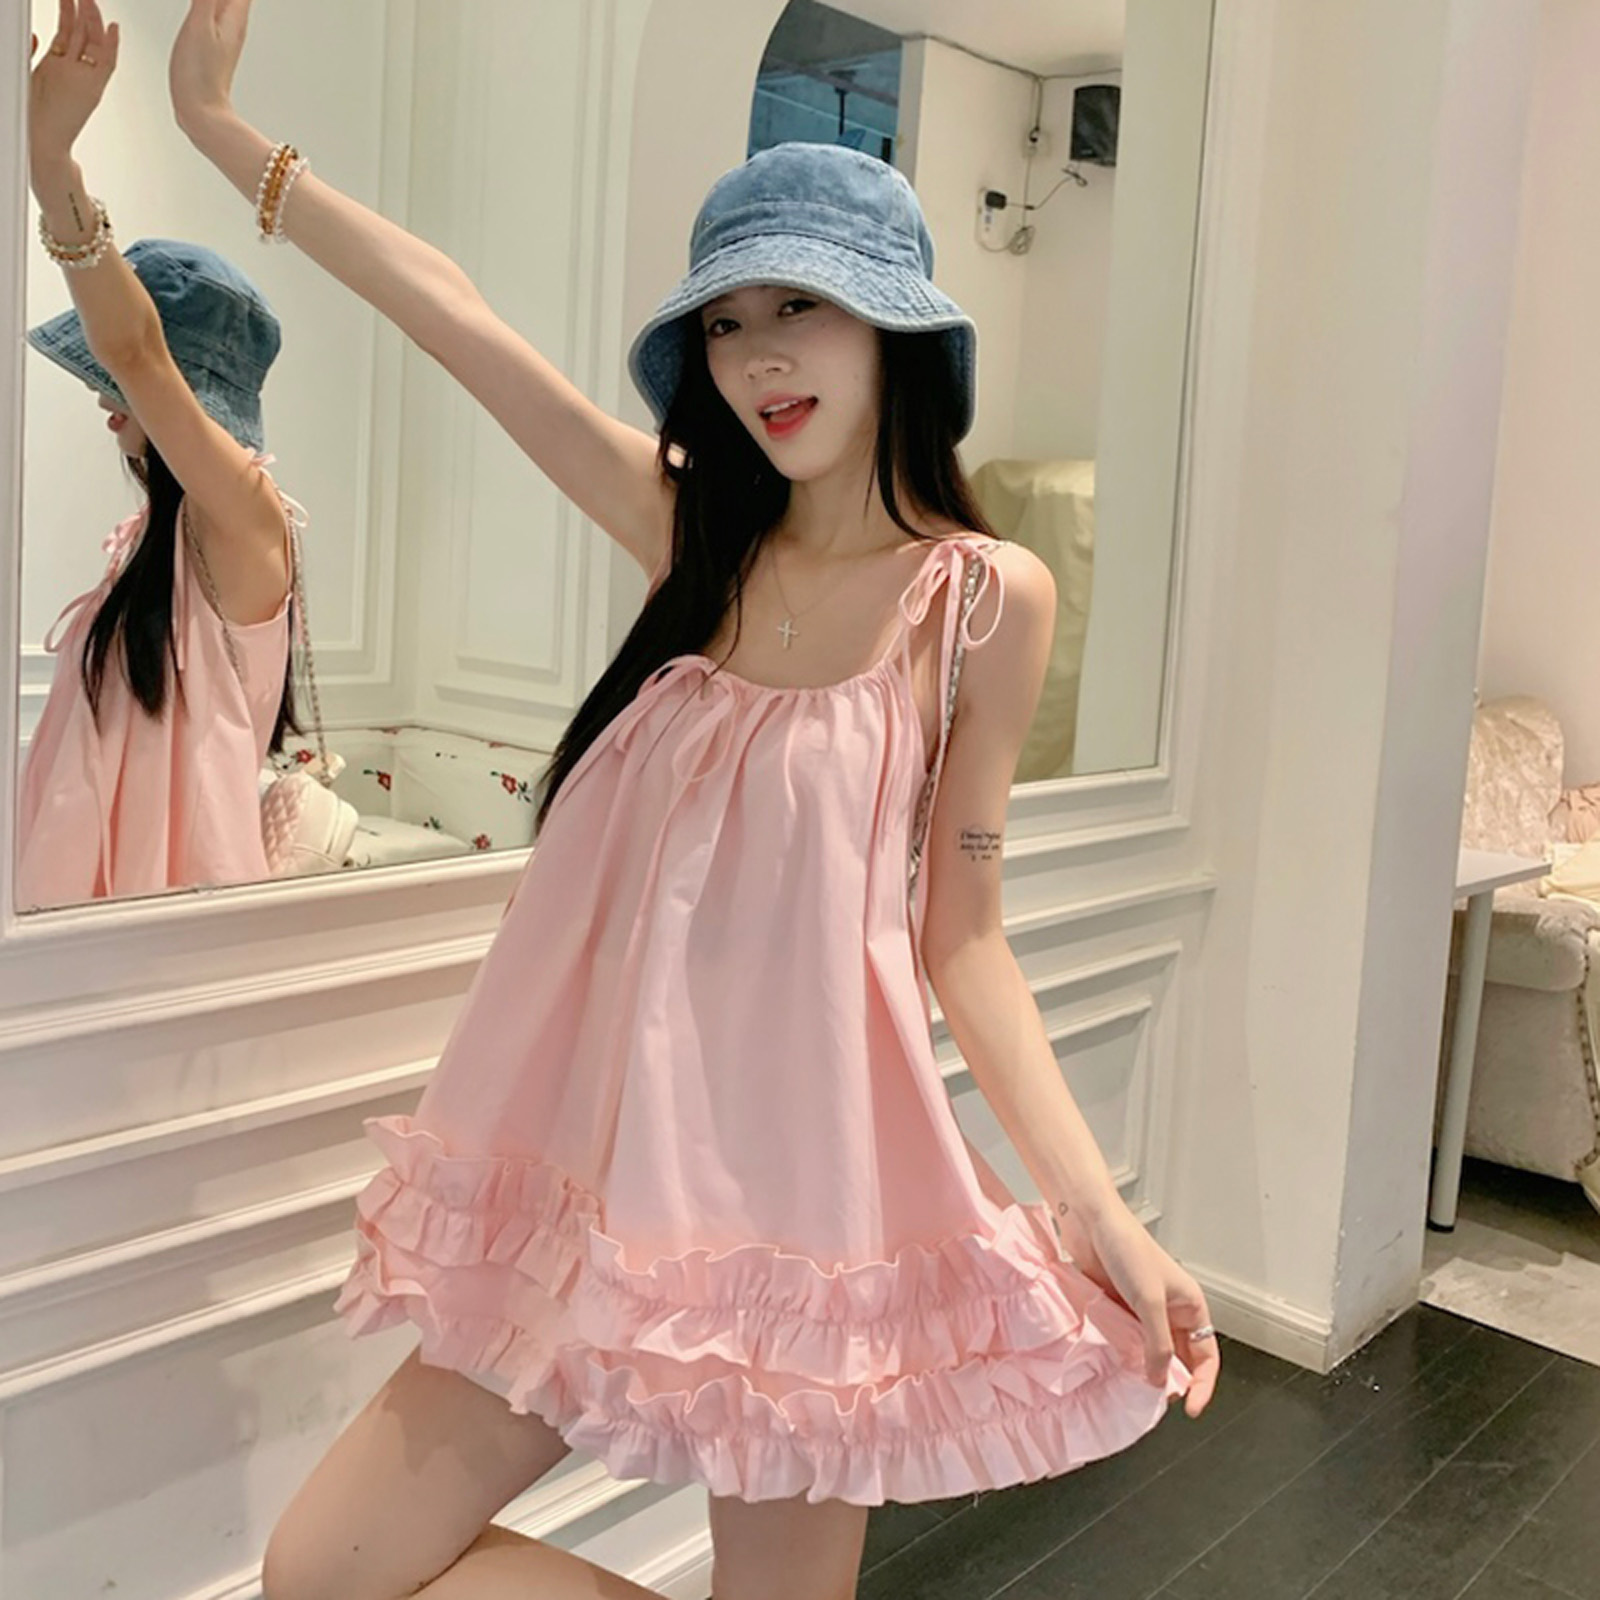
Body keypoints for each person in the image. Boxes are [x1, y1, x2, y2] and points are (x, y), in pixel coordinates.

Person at [168, 2, 1223, 1596]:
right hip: (589, 1187)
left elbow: (967, 940)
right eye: (726, 324)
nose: (759, 357)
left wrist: (1108, 1222)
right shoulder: (695, 545)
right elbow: (456, 319)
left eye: (802, 306)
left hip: (807, 1224)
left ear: (896, 330)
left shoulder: (976, 602)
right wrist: (221, 131)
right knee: (324, 1571)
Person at [18, 0, 299, 911]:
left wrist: (53, 164)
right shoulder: (150, 542)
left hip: (167, 941)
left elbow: (139, 353)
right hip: (91, 925)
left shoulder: (246, 520)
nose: (108, 403)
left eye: (115, 384)